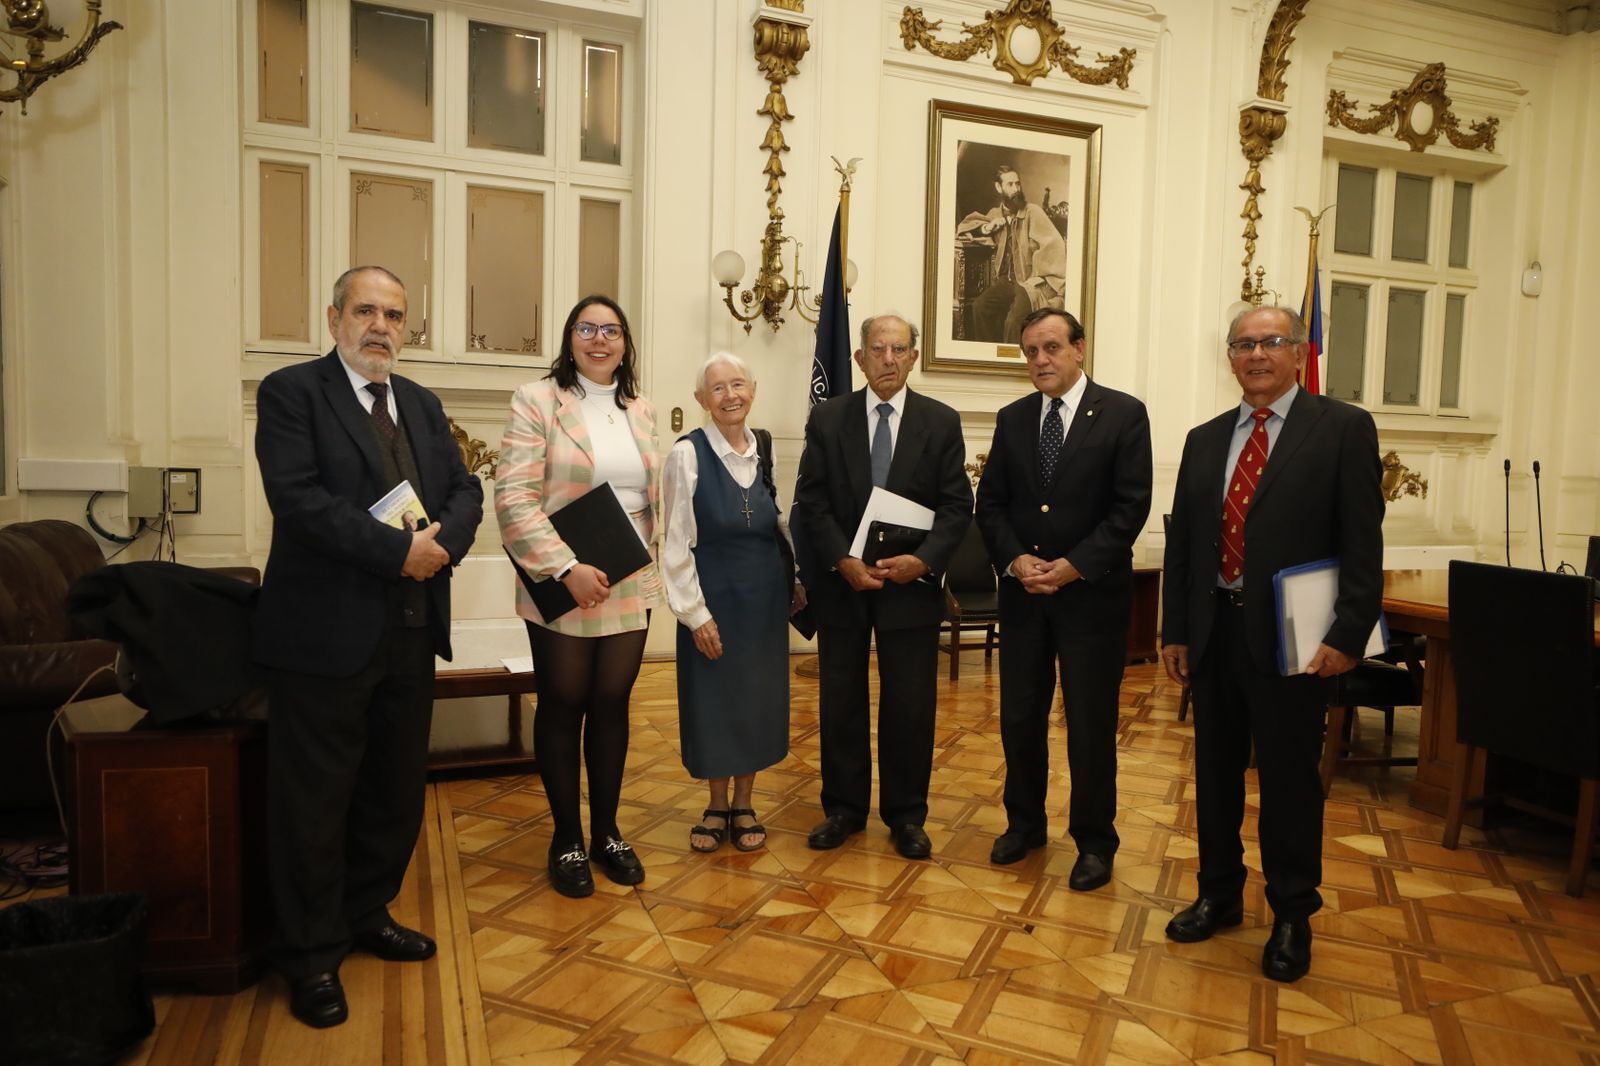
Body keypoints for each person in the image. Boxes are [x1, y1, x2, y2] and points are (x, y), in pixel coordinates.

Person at [254, 265, 484, 1029]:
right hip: (323, 637)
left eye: (394, 314)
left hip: (410, 631)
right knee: (315, 802)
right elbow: (299, 500)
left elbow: (464, 489)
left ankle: (364, 913)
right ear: (334, 318)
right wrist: (399, 553)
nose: (381, 325)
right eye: (366, 311)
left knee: (391, 791)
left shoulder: (419, 401)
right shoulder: (292, 394)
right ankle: (311, 955)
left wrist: (441, 542)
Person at [1161, 305, 1383, 983]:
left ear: (1298, 352)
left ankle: (1291, 914)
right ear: (1229, 357)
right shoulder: (1204, 439)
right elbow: (1187, 545)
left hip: (1296, 640)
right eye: (1243, 344)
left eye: (1271, 342)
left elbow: (1361, 541)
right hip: (1215, 632)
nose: (1256, 354)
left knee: (1289, 783)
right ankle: (1219, 893)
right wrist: (1174, 630)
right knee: (1216, 776)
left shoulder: (1342, 429)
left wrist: (1348, 633)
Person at [974, 308, 1152, 887]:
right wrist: (1014, 559)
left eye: (1051, 347)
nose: (1040, 361)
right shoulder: (1013, 418)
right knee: (1021, 718)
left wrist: (1075, 566)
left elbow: (1130, 507)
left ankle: (1095, 841)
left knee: (1090, 724)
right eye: (1030, 351)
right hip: (1024, 597)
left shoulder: (1124, 414)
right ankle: (1023, 824)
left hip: (1092, 601)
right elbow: (992, 504)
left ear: (1080, 348)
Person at [496, 294, 663, 899]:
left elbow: (653, 497)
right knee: (564, 702)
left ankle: (608, 832)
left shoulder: (640, 409)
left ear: (625, 342)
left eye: (611, 330)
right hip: (562, 576)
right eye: (587, 329)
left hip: (627, 577)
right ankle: (566, 836)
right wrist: (567, 568)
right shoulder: (536, 400)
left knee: (612, 701)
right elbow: (513, 497)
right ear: (570, 338)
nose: (600, 340)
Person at [794, 313, 972, 859]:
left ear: (914, 357)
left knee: (910, 706)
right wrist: (842, 560)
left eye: (899, 349)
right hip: (844, 586)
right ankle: (843, 809)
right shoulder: (829, 418)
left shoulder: (940, 421)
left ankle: (906, 815)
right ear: (859, 358)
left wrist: (924, 561)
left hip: (910, 587)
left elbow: (955, 505)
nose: (888, 359)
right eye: (878, 349)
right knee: (841, 700)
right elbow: (812, 502)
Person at [662, 351, 804, 852]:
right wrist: (695, 615)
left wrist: (797, 578)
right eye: (718, 389)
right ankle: (716, 803)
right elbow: (675, 543)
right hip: (714, 600)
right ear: (702, 400)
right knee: (714, 701)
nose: (730, 396)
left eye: (738, 385)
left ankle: (745, 802)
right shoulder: (687, 455)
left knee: (755, 701)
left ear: (753, 391)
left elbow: (776, 518)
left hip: (764, 603)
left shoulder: (763, 448)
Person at [956, 164, 1066, 344]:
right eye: (1010, 185)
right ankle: (990, 361)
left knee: (1014, 321)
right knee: (979, 307)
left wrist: (1040, 278)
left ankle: (1010, 365)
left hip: (1028, 283)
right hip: (1005, 282)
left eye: (1018, 184)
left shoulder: (1033, 212)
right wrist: (986, 228)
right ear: (998, 187)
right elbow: (965, 226)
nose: (1016, 189)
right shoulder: (995, 214)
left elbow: (1055, 246)